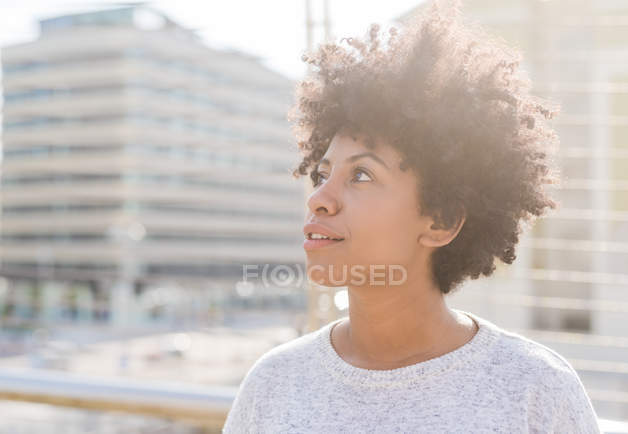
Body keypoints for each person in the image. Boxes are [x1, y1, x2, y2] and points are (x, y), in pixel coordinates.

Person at [223, 1, 601, 432]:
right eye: (322, 173)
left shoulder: (534, 390)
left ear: (440, 220)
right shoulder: (273, 385)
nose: (319, 199)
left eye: (361, 175)